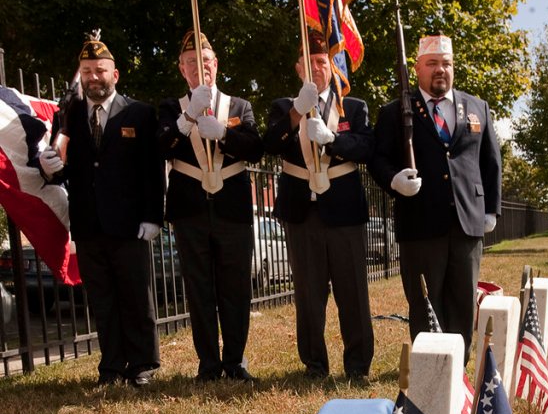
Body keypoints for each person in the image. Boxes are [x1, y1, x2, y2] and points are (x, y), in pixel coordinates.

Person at [39, 37, 164, 386]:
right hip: (89, 223)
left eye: (100, 71)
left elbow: (152, 171)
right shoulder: (68, 116)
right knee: (103, 300)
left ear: (116, 74)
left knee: (136, 296)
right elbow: (60, 166)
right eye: (87, 72)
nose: (94, 77)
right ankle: (111, 367)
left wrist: (153, 215)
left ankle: (142, 365)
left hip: (129, 224)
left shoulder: (138, 113)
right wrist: (49, 166)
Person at [371, 34, 501, 361]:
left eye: (446, 63)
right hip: (420, 224)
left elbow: (491, 161)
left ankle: (459, 363)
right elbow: (377, 159)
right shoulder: (395, 112)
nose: (440, 70)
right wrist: (394, 180)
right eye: (432, 64)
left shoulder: (477, 108)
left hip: (467, 223)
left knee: (462, 299)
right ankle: (430, 365)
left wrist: (491, 209)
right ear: (417, 69)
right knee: (425, 301)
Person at [263, 31, 374, 381]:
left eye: (321, 63)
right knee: (309, 294)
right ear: (299, 70)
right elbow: (269, 143)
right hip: (302, 212)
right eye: (308, 64)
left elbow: (366, 147)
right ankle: (314, 364)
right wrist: (296, 111)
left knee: (352, 291)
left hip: (343, 212)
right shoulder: (283, 107)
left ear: (332, 67)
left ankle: (357, 365)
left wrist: (334, 140)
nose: (316, 69)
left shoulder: (352, 107)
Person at [158, 30, 263, 382]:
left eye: (203, 62)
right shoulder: (171, 107)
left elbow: (254, 148)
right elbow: (161, 147)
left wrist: (224, 134)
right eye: (190, 63)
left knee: (235, 288)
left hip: (232, 209)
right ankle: (208, 364)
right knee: (199, 289)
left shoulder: (238, 106)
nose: (198, 69)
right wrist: (186, 117)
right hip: (190, 210)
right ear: (181, 69)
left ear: (215, 65)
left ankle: (235, 361)